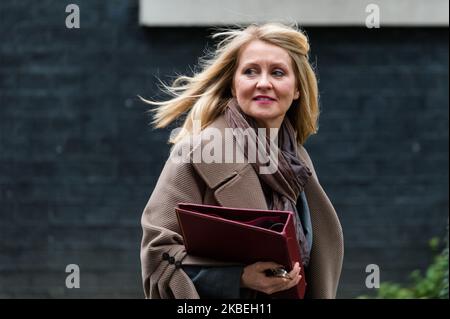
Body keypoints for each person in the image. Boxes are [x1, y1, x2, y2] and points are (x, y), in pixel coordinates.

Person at [139, 22, 344, 299]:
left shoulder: (297, 160)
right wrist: (238, 278)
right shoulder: (197, 153)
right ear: (234, 86)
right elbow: (157, 255)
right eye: (250, 72)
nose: (263, 83)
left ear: (297, 89)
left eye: (278, 72)